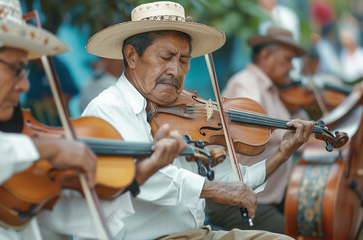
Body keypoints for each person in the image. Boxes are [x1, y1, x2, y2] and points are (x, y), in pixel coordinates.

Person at [0, 0, 185, 239]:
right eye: (16, 70)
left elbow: (65, 213)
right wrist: (41, 149)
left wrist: (141, 172)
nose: (24, 85)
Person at [70, 2, 314, 239]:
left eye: (184, 61)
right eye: (165, 57)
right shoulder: (107, 109)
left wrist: (282, 153)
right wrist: (213, 189)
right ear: (132, 57)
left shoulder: (183, 111)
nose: (176, 71)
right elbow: (142, 176)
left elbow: (235, 180)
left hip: (199, 233)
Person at [206, 26, 308, 234]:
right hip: (236, 198)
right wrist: (294, 133)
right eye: (287, 59)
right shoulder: (247, 83)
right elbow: (254, 127)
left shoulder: (277, 90)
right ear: (266, 55)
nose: (291, 67)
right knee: (293, 234)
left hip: (270, 196)